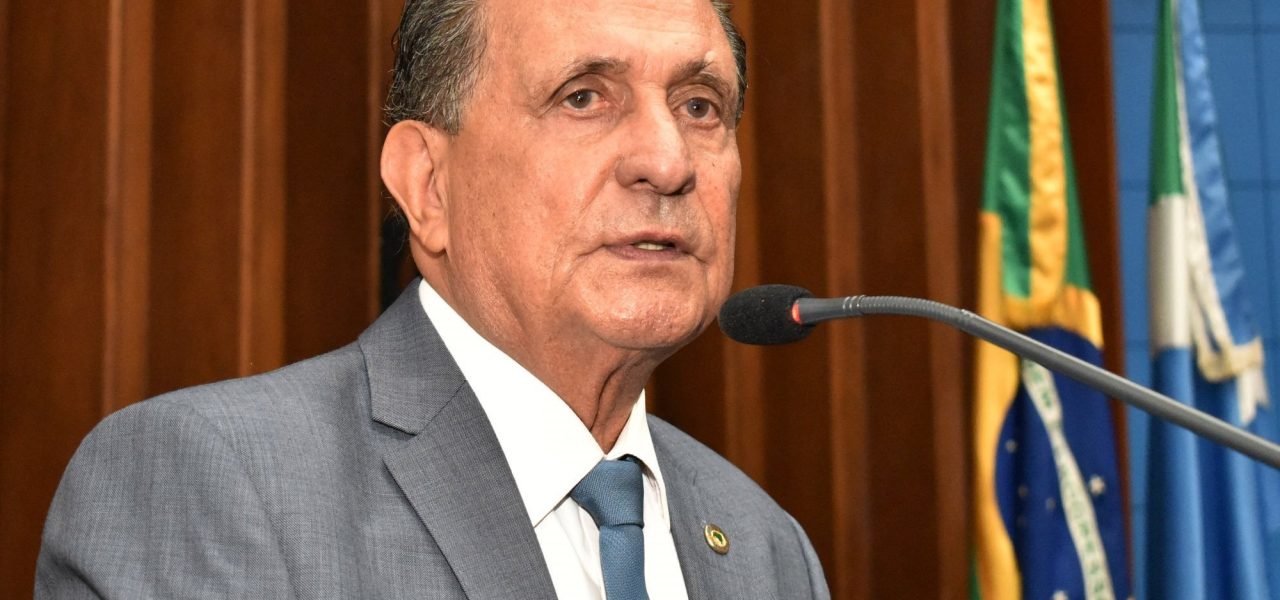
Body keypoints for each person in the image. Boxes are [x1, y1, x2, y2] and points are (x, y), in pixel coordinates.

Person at [36, 0, 830, 597]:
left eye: (699, 106)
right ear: (427, 185)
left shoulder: (769, 550)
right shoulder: (216, 482)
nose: (667, 160)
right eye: (584, 97)